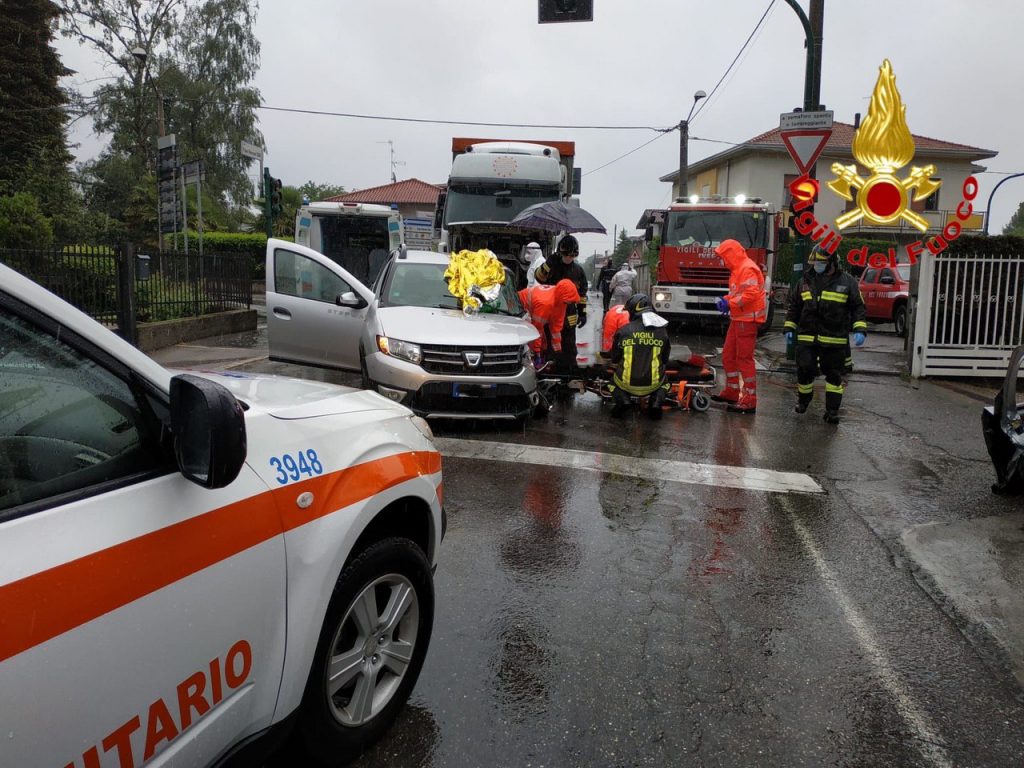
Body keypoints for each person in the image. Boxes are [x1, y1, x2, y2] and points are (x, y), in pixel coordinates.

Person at [784, 245, 867, 424]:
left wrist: (860, 329)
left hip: (834, 338)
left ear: (832, 262)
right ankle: (803, 401)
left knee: (834, 376)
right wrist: (789, 327)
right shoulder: (805, 281)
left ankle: (832, 411)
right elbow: (795, 306)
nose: (817, 266)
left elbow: (858, 307)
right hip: (807, 336)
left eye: (820, 263)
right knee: (804, 370)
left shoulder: (848, 282)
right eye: (815, 263)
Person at [710, 239, 768, 414]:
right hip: (739, 319)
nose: (722, 261)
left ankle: (750, 399)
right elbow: (739, 293)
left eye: (723, 257)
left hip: (747, 321)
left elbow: (751, 294)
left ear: (731, 255)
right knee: (728, 356)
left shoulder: (746, 268)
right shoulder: (738, 270)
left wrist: (730, 303)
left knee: (744, 359)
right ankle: (732, 391)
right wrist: (726, 300)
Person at [609, 293, 672, 420]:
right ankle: (655, 403)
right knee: (665, 383)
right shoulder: (662, 331)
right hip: (653, 385)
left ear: (633, 311)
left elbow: (614, 358)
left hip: (625, 384)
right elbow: (665, 359)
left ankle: (623, 400)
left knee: (611, 382)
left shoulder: (623, 330)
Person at [534, 234, 589, 373]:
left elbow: (582, 294)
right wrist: (548, 264)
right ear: (560, 253)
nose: (569, 258)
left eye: (572, 256)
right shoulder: (552, 266)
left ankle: (569, 374)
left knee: (569, 348)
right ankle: (549, 373)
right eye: (566, 255)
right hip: (552, 313)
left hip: (569, 315)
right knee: (551, 346)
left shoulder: (578, 271)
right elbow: (539, 278)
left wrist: (582, 313)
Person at [518, 279, 581, 369]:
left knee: (543, 343)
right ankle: (530, 361)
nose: (570, 303)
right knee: (529, 340)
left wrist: (557, 350)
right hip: (520, 305)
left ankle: (541, 357)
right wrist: (537, 352)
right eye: (569, 301)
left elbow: (556, 327)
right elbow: (537, 330)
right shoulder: (545, 304)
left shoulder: (561, 299)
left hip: (535, 306)